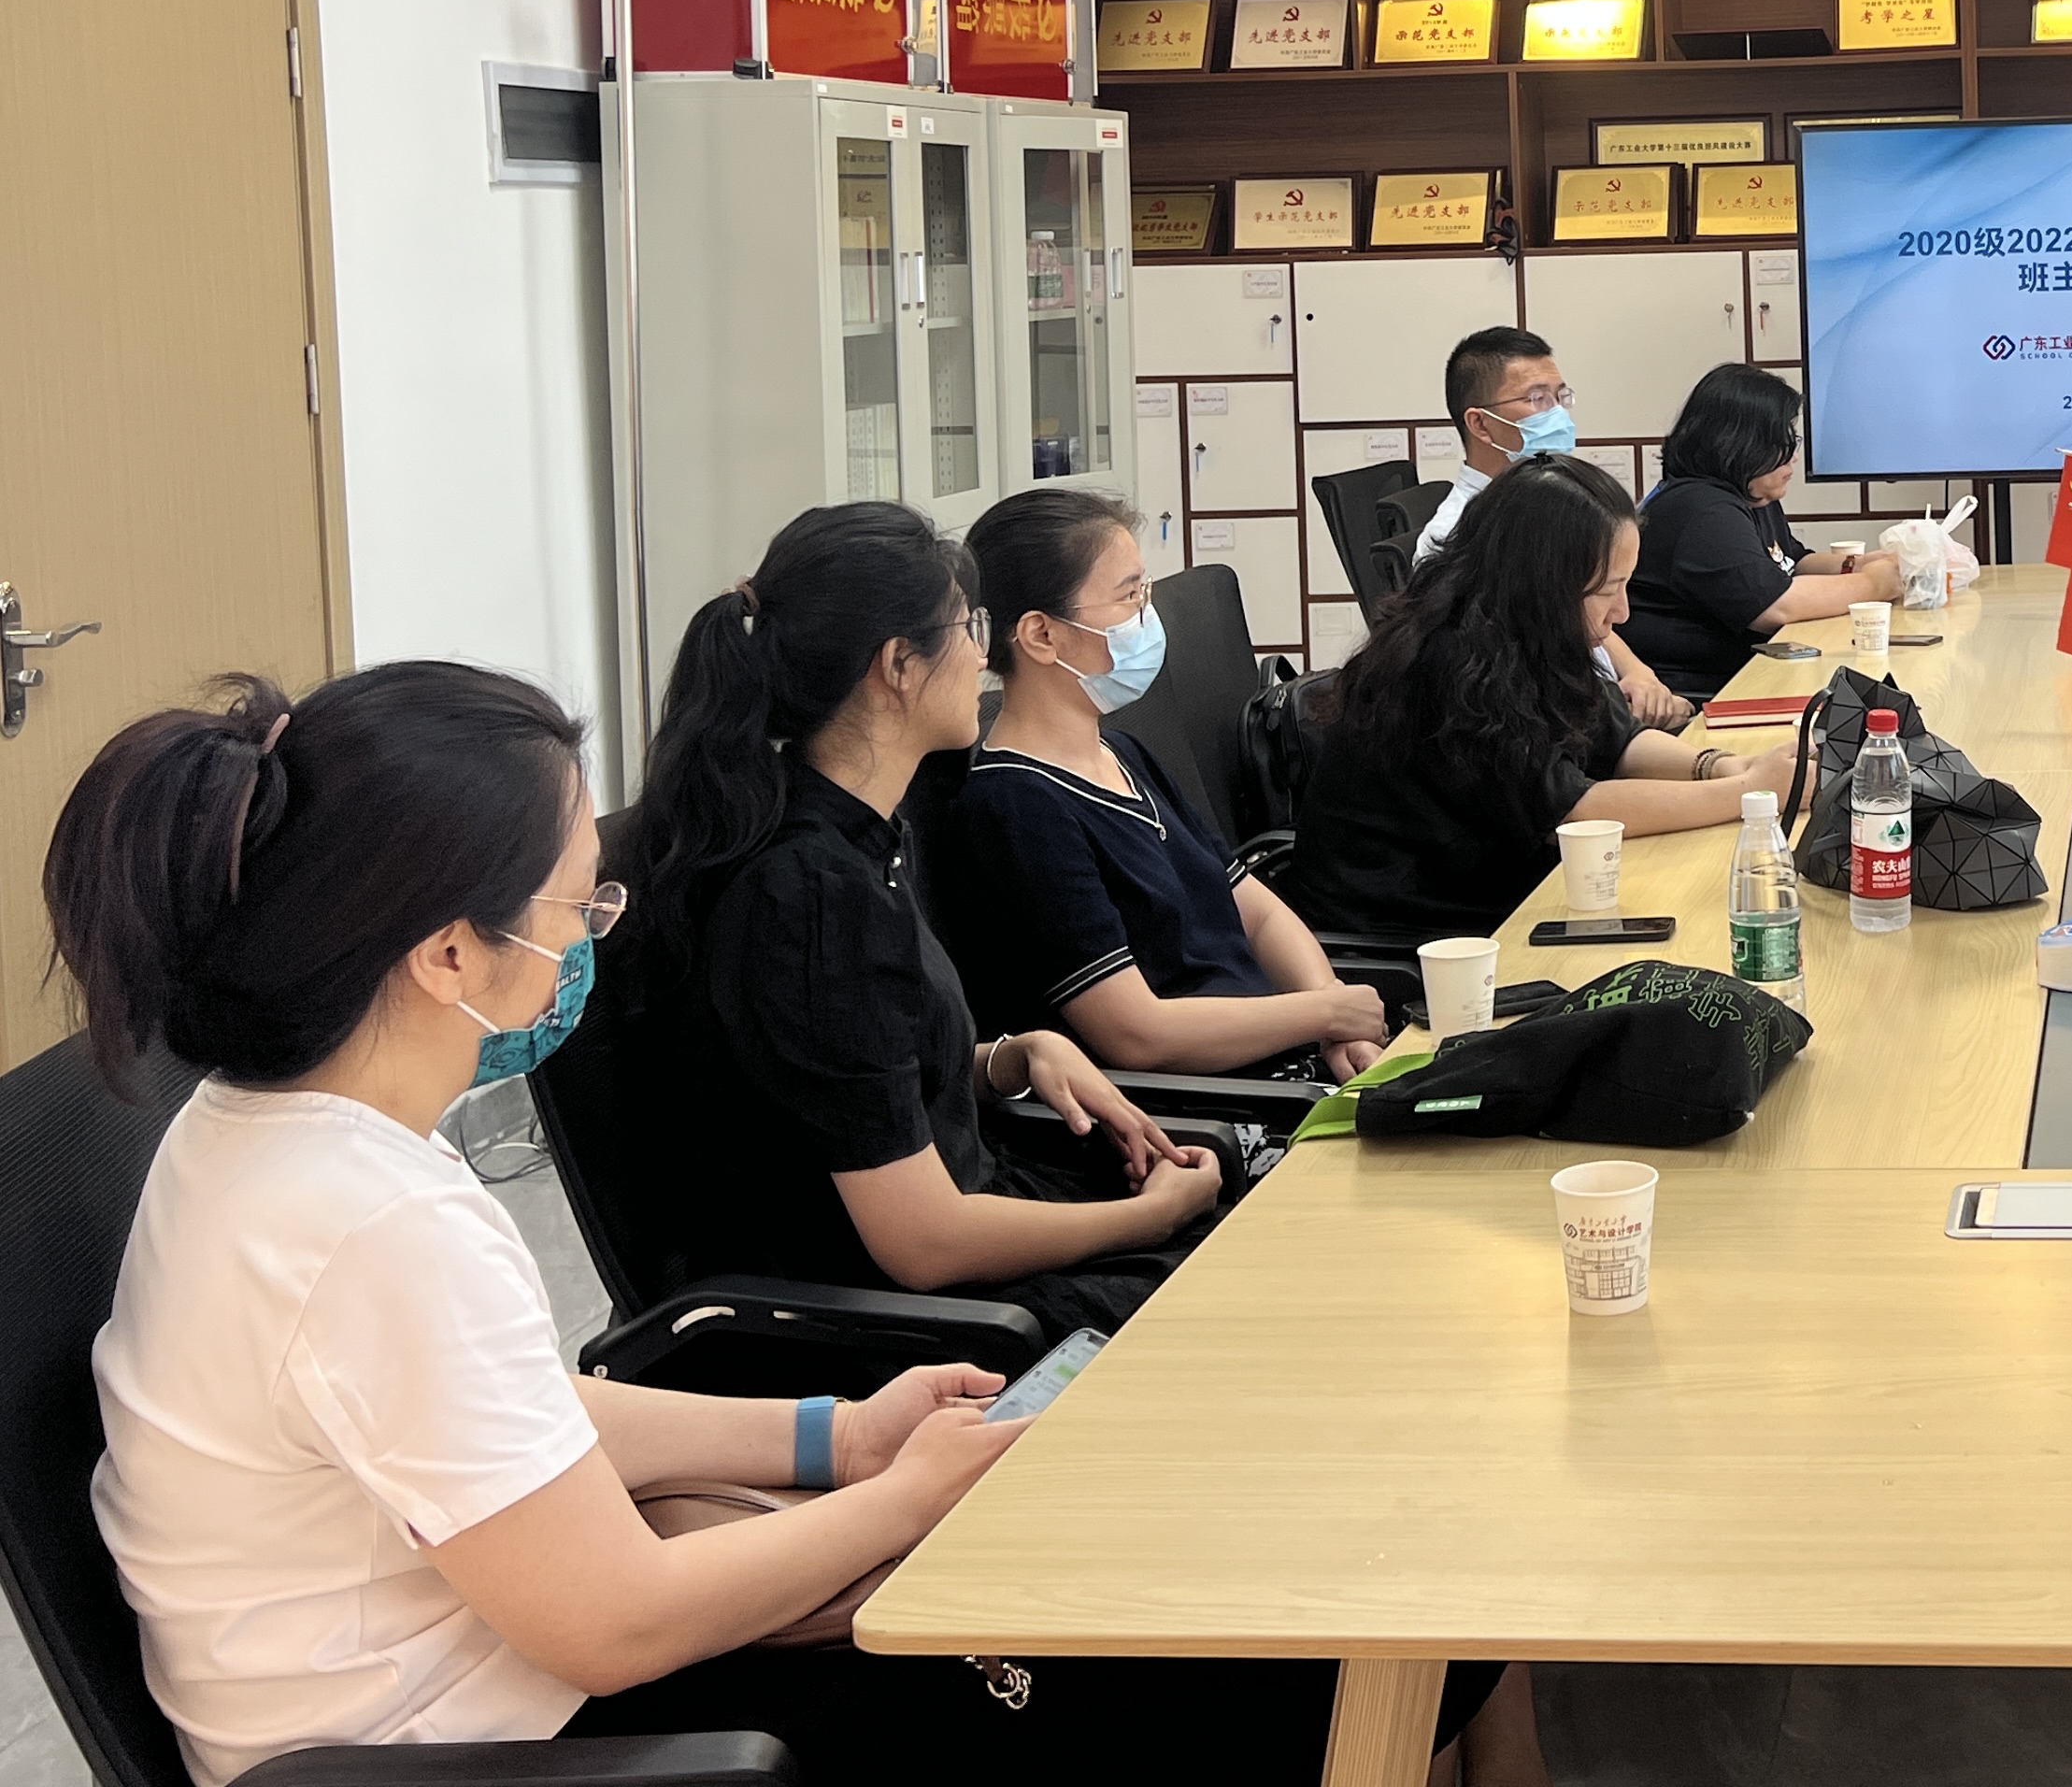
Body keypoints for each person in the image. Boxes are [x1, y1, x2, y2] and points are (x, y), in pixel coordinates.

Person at [51, 663, 1515, 1787]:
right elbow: (615, 1622)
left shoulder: (266, 1137)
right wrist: (902, 1504)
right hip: (507, 1756)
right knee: (1280, 1670)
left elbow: (512, 1419)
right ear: (446, 954)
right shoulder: (368, 1225)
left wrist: (836, 1440)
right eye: (573, 909)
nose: (591, 937)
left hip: (491, 1696)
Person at [606, 503, 1225, 1342]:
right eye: (968, 629)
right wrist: (1149, 1219)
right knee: (1229, 1282)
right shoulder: (813, 896)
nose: (982, 654)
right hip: (897, 1325)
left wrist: (1005, 1058)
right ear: (898, 665)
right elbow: (924, 1243)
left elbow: (848, 1070)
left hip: (950, 1251)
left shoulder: (851, 836)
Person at [935, 487, 1390, 1080]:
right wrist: (1323, 1013)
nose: (1147, 616)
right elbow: (1137, 1034)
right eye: (1129, 597)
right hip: (1205, 1102)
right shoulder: (1015, 805)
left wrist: (1332, 1018)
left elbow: (1257, 914)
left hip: (1281, 1058)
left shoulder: (1124, 754)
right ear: (1042, 635)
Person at [1288, 455, 1798, 943]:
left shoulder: (1528, 626)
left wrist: (1722, 766)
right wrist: (1747, 794)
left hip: (1494, 892)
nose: (1622, 612)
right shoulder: (1451, 659)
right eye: (1608, 591)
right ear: (1546, 583)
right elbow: (1573, 812)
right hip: (1409, 932)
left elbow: (1618, 737)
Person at [1414, 325, 1691, 728]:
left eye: (1560, 397)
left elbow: (1583, 610)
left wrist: (1637, 672)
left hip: (1609, 709)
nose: (1557, 414)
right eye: (1536, 399)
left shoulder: (1557, 504)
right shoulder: (1455, 536)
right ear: (1481, 424)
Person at [1619, 363, 1905, 703]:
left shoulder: (1751, 495)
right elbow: (1774, 606)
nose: (1794, 456)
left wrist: (1860, 563)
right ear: (1742, 444)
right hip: (1697, 693)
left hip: (1747, 676)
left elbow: (1793, 563)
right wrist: (1874, 583)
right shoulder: (1703, 510)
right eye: (1783, 441)